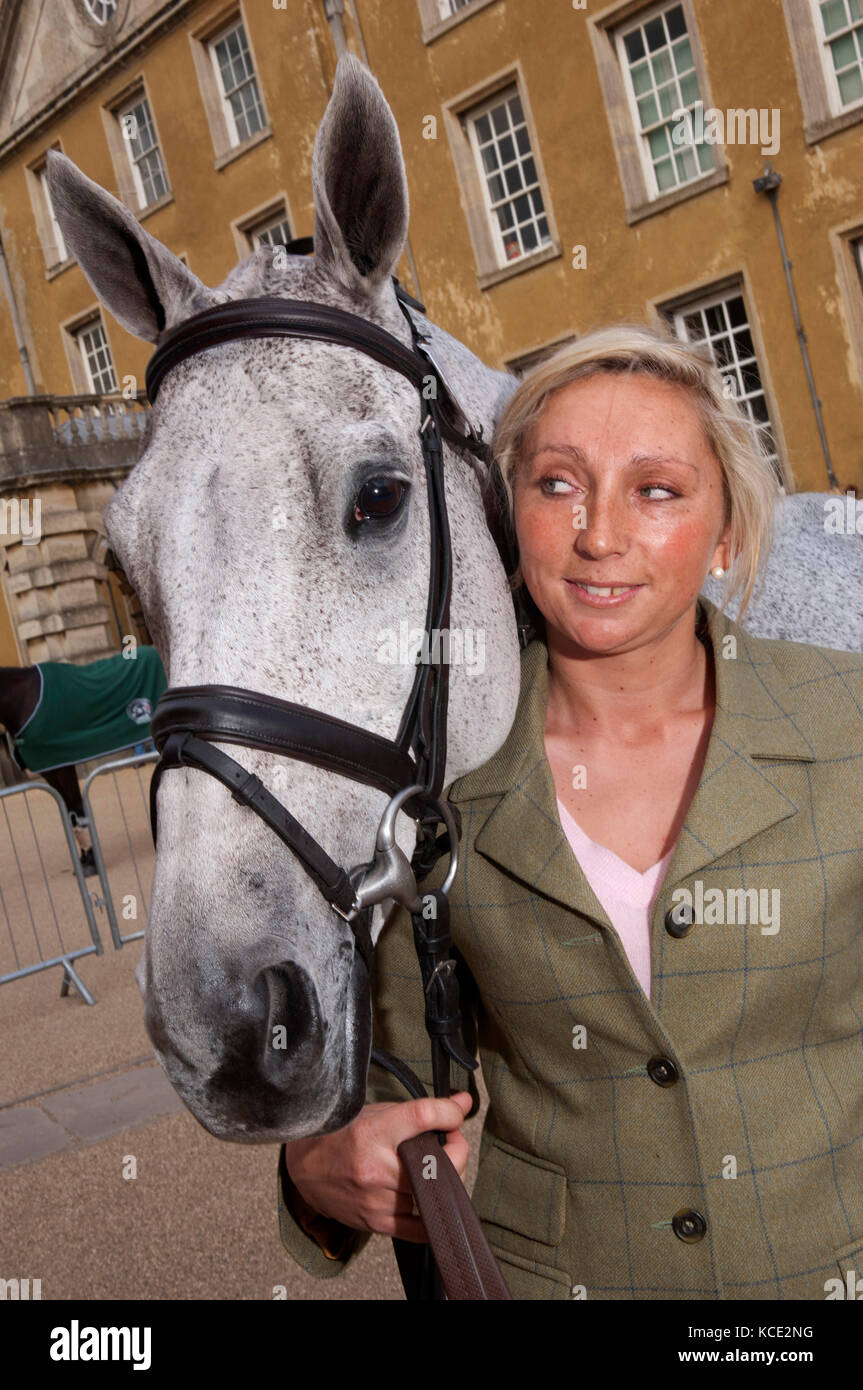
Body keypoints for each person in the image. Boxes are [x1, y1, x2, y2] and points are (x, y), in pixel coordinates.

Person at [276, 324, 863, 1300]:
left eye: (655, 490)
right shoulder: (432, 777)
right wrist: (313, 1170)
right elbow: (395, 1077)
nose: (598, 533)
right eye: (556, 483)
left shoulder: (847, 721)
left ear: (725, 532)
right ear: (508, 518)